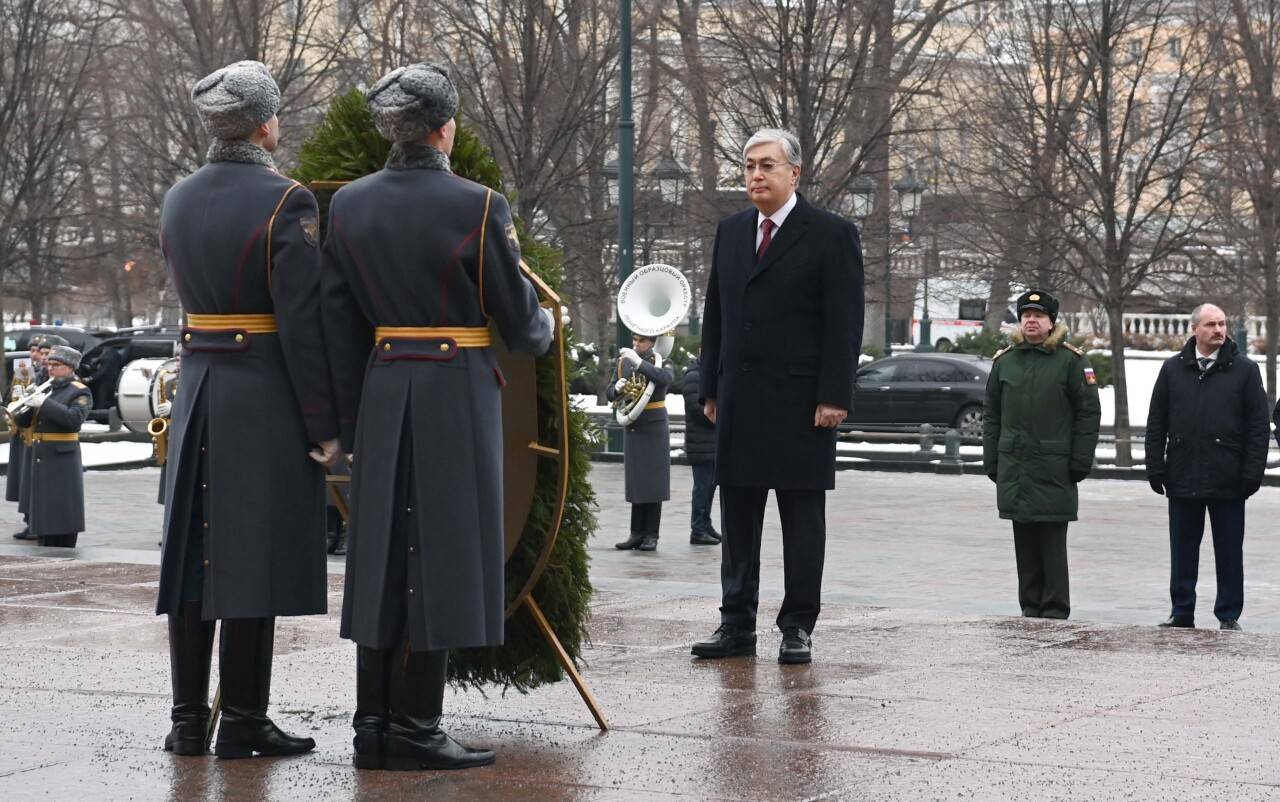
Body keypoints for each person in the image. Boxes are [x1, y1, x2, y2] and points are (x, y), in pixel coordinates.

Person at [320, 62, 553, 771]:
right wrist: (544, 326)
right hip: (454, 388)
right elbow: (520, 324)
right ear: (445, 130)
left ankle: (371, 726)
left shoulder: (349, 204)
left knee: (381, 550)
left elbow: (337, 319)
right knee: (445, 549)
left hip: (385, 383)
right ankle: (417, 727)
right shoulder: (477, 206)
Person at [154, 60, 341, 759]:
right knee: (253, 558)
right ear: (264, 123)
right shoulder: (285, 200)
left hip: (199, 385)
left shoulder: (176, 198)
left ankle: (185, 721)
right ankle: (242, 720)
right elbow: (302, 322)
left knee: (193, 560)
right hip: (261, 394)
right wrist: (323, 424)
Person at [691, 128, 864, 665]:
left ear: (795, 173)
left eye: (767, 165)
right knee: (738, 519)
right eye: (748, 166)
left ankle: (797, 625)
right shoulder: (731, 230)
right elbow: (715, 314)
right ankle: (735, 622)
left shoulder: (831, 234)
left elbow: (845, 321)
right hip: (740, 401)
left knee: (801, 521)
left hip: (802, 405)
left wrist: (834, 394)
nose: (756, 176)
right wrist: (710, 386)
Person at [1145, 303, 1268, 631]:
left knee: (1229, 550)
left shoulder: (1245, 370)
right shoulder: (1172, 369)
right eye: (1211, 324)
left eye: (1222, 324)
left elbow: (1258, 426)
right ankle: (1181, 610)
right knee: (1182, 549)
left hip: (1228, 476)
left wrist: (1252, 473)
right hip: (1182, 474)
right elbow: (1157, 421)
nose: (1218, 330)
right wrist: (1155, 466)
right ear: (1194, 329)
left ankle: (1228, 614)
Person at [983, 290, 1100, 620]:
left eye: (1039, 315)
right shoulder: (1005, 362)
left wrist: (1080, 460)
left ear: (1051, 323)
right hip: (1016, 466)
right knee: (1024, 540)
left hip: (1054, 467)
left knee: (1051, 540)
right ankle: (1030, 606)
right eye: (1026, 315)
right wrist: (991, 459)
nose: (1031, 320)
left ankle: (1054, 608)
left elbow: (1088, 413)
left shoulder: (1071, 362)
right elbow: (991, 414)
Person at [13, 345, 91, 547]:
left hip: (62, 458)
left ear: (70, 367)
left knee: (62, 509)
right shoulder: (48, 388)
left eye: (56, 365)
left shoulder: (79, 391)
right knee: (44, 511)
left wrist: (44, 404)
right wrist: (25, 404)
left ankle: (63, 547)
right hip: (41, 456)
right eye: (49, 365)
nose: (50, 369)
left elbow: (73, 419)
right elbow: (23, 423)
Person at [608, 332, 673, 551]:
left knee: (653, 482)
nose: (636, 345)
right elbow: (610, 390)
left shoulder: (662, 360)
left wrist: (640, 364)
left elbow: (666, 380)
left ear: (652, 343)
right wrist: (616, 389)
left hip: (654, 426)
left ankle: (651, 535)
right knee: (636, 481)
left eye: (641, 341)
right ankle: (636, 533)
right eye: (634, 341)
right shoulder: (624, 362)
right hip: (634, 425)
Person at [8, 336, 44, 540]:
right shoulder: (24, 371)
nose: (35, 354)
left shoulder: (43, 374)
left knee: (31, 481)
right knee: (23, 480)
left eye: (39, 351)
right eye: (33, 351)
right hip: (22, 430)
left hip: (36, 433)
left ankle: (35, 523)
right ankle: (28, 520)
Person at [680, 361, 719, 545]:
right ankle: (697, 529)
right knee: (702, 489)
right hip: (700, 443)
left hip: (709, 443)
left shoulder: (706, 374)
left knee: (709, 488)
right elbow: (697, 409)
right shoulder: (694, 377)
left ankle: (705, 524)